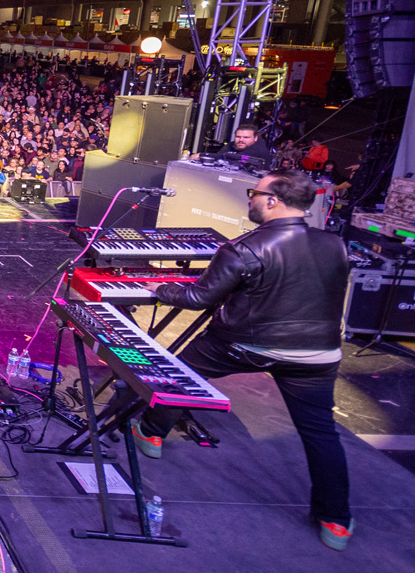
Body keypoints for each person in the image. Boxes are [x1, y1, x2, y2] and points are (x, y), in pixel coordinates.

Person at [132, 170, 352, 550]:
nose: (250, 198)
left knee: (179, 375)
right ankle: (336, 522)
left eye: (255, 193)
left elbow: (200, 298)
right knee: (320, 432)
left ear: (273, 201)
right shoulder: (335, 244)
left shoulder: (245, 248)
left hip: (245, 344)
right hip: (318, 353)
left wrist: (159, 288)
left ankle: (151, 432)